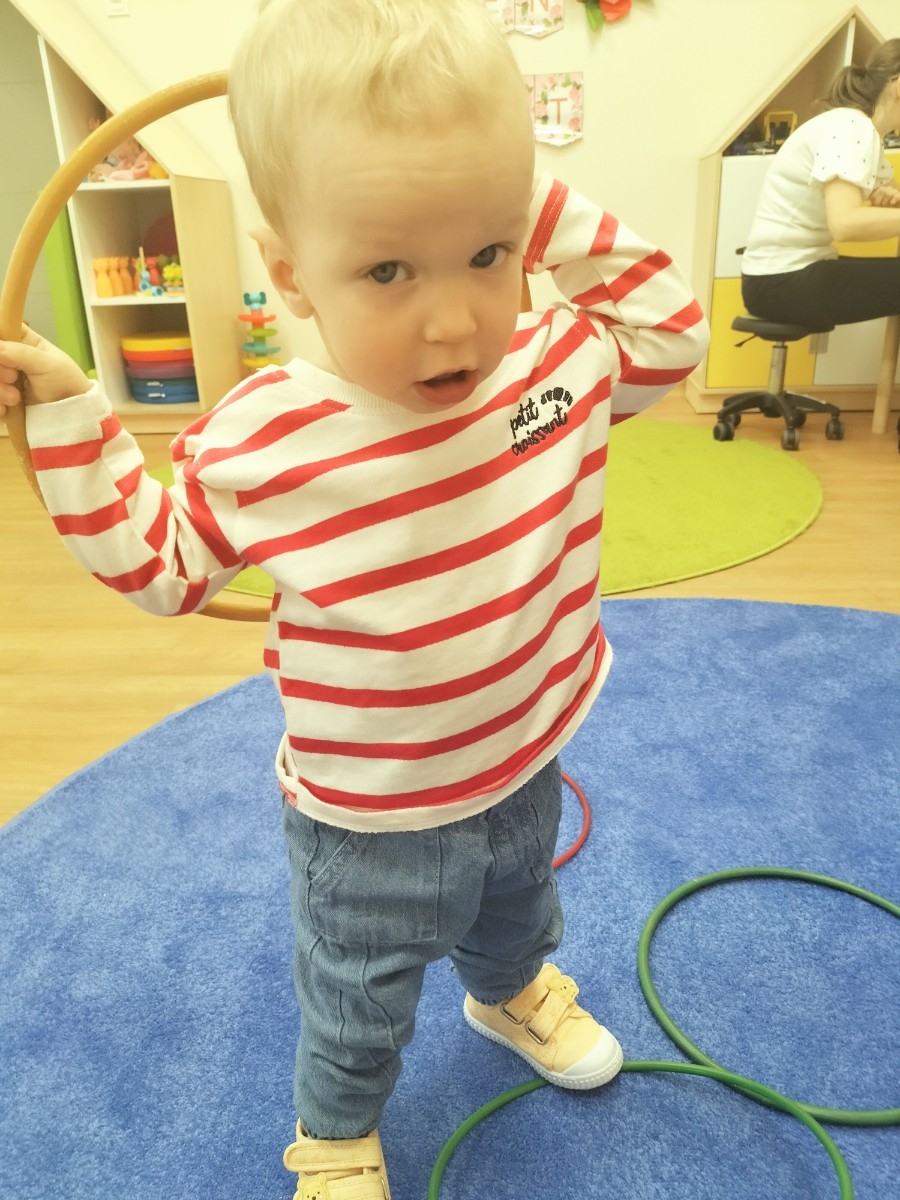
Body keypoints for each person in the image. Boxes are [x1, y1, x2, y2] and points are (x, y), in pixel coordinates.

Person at [0, 1, 708, 1195]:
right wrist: (71, 408)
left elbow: (675, 333)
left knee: (519, 909)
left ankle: (509, 994)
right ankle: (335, 1133)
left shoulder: (554, 361)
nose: (455, 319)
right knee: (360, 992)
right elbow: (161, 565)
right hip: (370, 815)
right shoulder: (263, 441)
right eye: (387, 268)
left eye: (487, 253)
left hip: (526, 751)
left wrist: (512, 195)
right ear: (291, 276)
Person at [741, 39, 900, 330]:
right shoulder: (852, 128)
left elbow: (891, 196)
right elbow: (845, 224)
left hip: (779, 277)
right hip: (781, 280)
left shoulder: (862, 130)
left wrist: (891, 199)